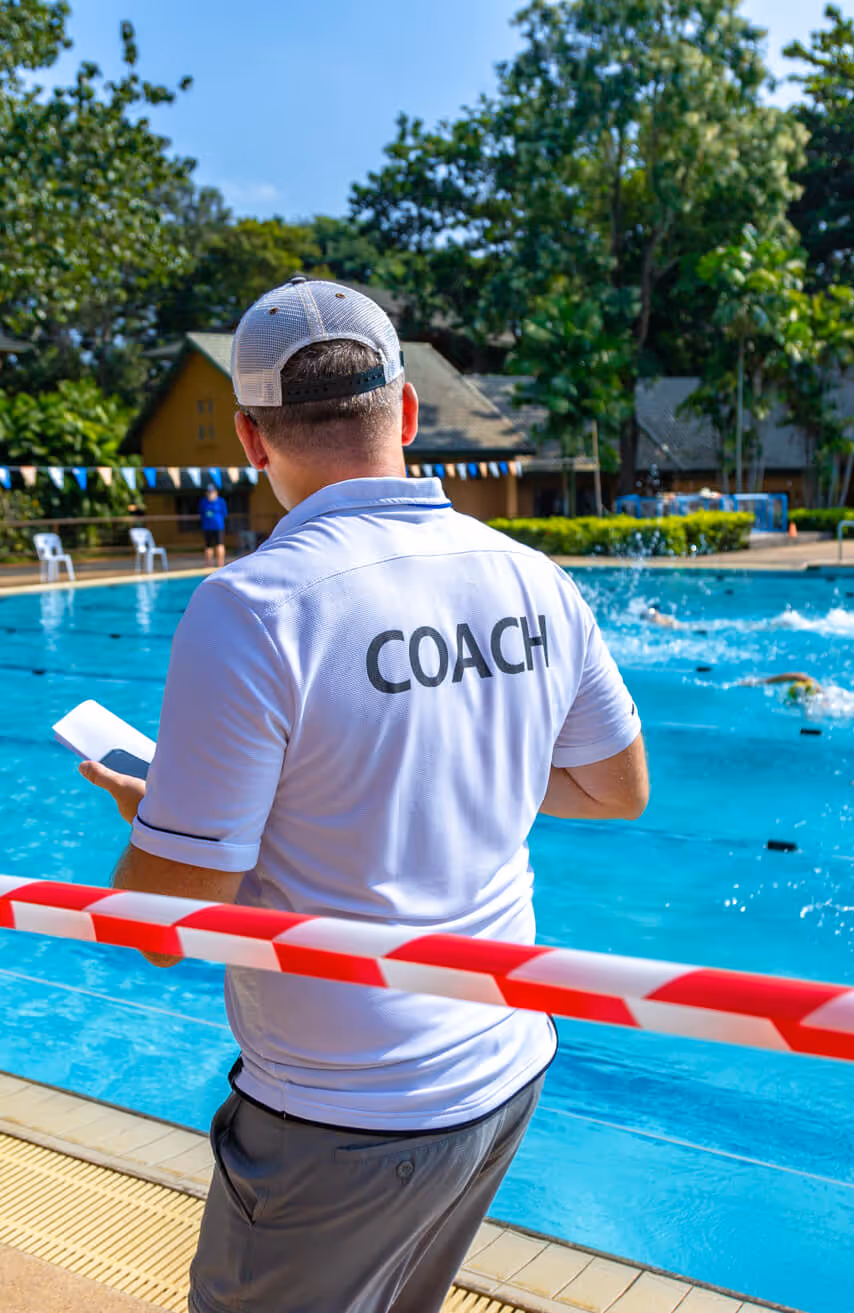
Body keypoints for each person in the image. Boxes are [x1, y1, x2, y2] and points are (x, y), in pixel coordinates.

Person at [80, 276, 648, 1313]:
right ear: (408, 412)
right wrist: (472, 767)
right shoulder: (534, 579)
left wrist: (158, 821)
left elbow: (159, 924)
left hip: (344, 1110)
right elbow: (616, 790)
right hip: (505, 1064)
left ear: (253, 441)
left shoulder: (252, 606)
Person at [741, 672, 823, 702]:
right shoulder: (818, 689)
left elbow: (796, 676)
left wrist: (761, 682)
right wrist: (762, 682)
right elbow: (797, 676)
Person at [198, 483, 227, 568]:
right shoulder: (203, 501)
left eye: (212, 492)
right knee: (208, 546)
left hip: (218, 527)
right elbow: (201, 513)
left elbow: (224, 513)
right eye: (208, 492)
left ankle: (220, 564)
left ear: (216, 492)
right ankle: (208, 564)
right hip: (207, 527)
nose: (210, 494)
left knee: (219, 545)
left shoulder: (221, 501)